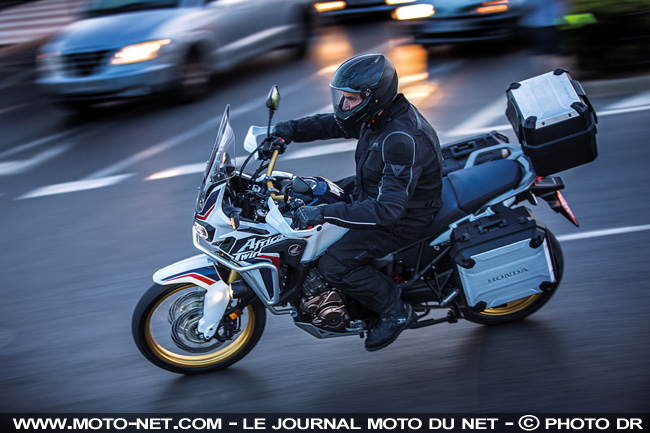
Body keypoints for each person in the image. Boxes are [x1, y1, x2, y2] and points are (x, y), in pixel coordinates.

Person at [270, 54, 443, 352]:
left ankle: (395, 311)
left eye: (350, 99)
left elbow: (388, 211)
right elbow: (333, 124)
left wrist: (323, 213)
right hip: (373, 191)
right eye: (342, 97)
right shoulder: (376, 116)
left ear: (372, 97)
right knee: (307, 192)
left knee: (334, 263)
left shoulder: (399, 138)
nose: (344, 105)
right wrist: (288, 131)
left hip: (404, 216)